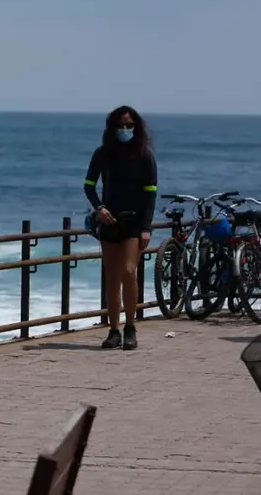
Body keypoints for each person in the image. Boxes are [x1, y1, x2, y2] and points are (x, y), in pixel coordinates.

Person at [83, 106, 158, 350]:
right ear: (112, 127)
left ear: (136, 127)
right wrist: (99, 208)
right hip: (109, 222)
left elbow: (150, 195)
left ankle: (131, 326)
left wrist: (146, 227)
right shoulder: (103, 154)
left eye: (130, 126)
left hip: (133, 222)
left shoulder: (145, 156)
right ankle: (113, 330)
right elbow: (89, 186)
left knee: (128, 271)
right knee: (112, 277)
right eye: (121, 125)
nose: (125, 130)